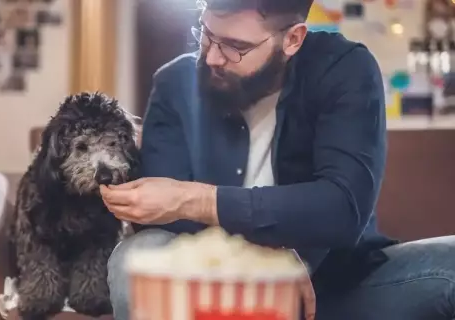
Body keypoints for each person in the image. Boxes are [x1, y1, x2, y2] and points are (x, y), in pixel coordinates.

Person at [100, 0, 455, 319]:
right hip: (213, 284)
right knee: (134, 255)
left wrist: (199, 199)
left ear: (293, 39)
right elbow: (163, 219)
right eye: (206, 34)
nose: (212, 57)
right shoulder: (174, 83)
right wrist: (263, 261)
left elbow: (343, 206)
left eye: (236, 46)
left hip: (337, 285)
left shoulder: (345, 69)